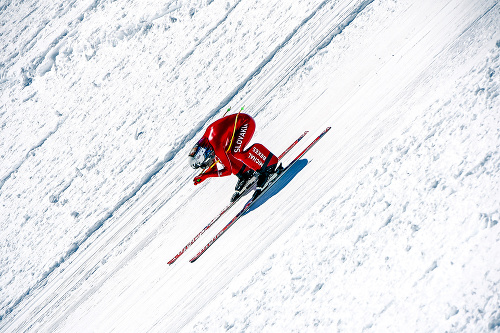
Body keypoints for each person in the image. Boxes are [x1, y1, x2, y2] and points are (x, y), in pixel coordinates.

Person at [188, 112, 279, 201]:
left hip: (246, 122)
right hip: (238, 125)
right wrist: (204, 175)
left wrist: (206, 175)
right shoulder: (206, 142)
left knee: (236, 152)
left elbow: (228, 171)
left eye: (204, 163)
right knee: (222, 156)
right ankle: (246, 174)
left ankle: (268, 167)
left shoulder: (216, 146)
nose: (206, 165)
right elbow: (213, 166)